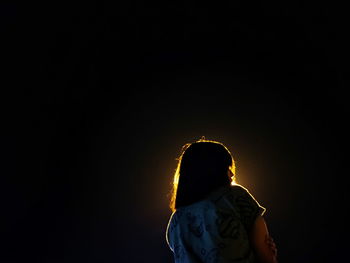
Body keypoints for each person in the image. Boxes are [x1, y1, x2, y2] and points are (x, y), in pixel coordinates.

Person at [165, 138, 278, 263]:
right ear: (215, 171)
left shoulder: (175, 222)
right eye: (227, 168)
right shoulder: (235, 196)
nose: (232, 174)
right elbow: (266, 255)